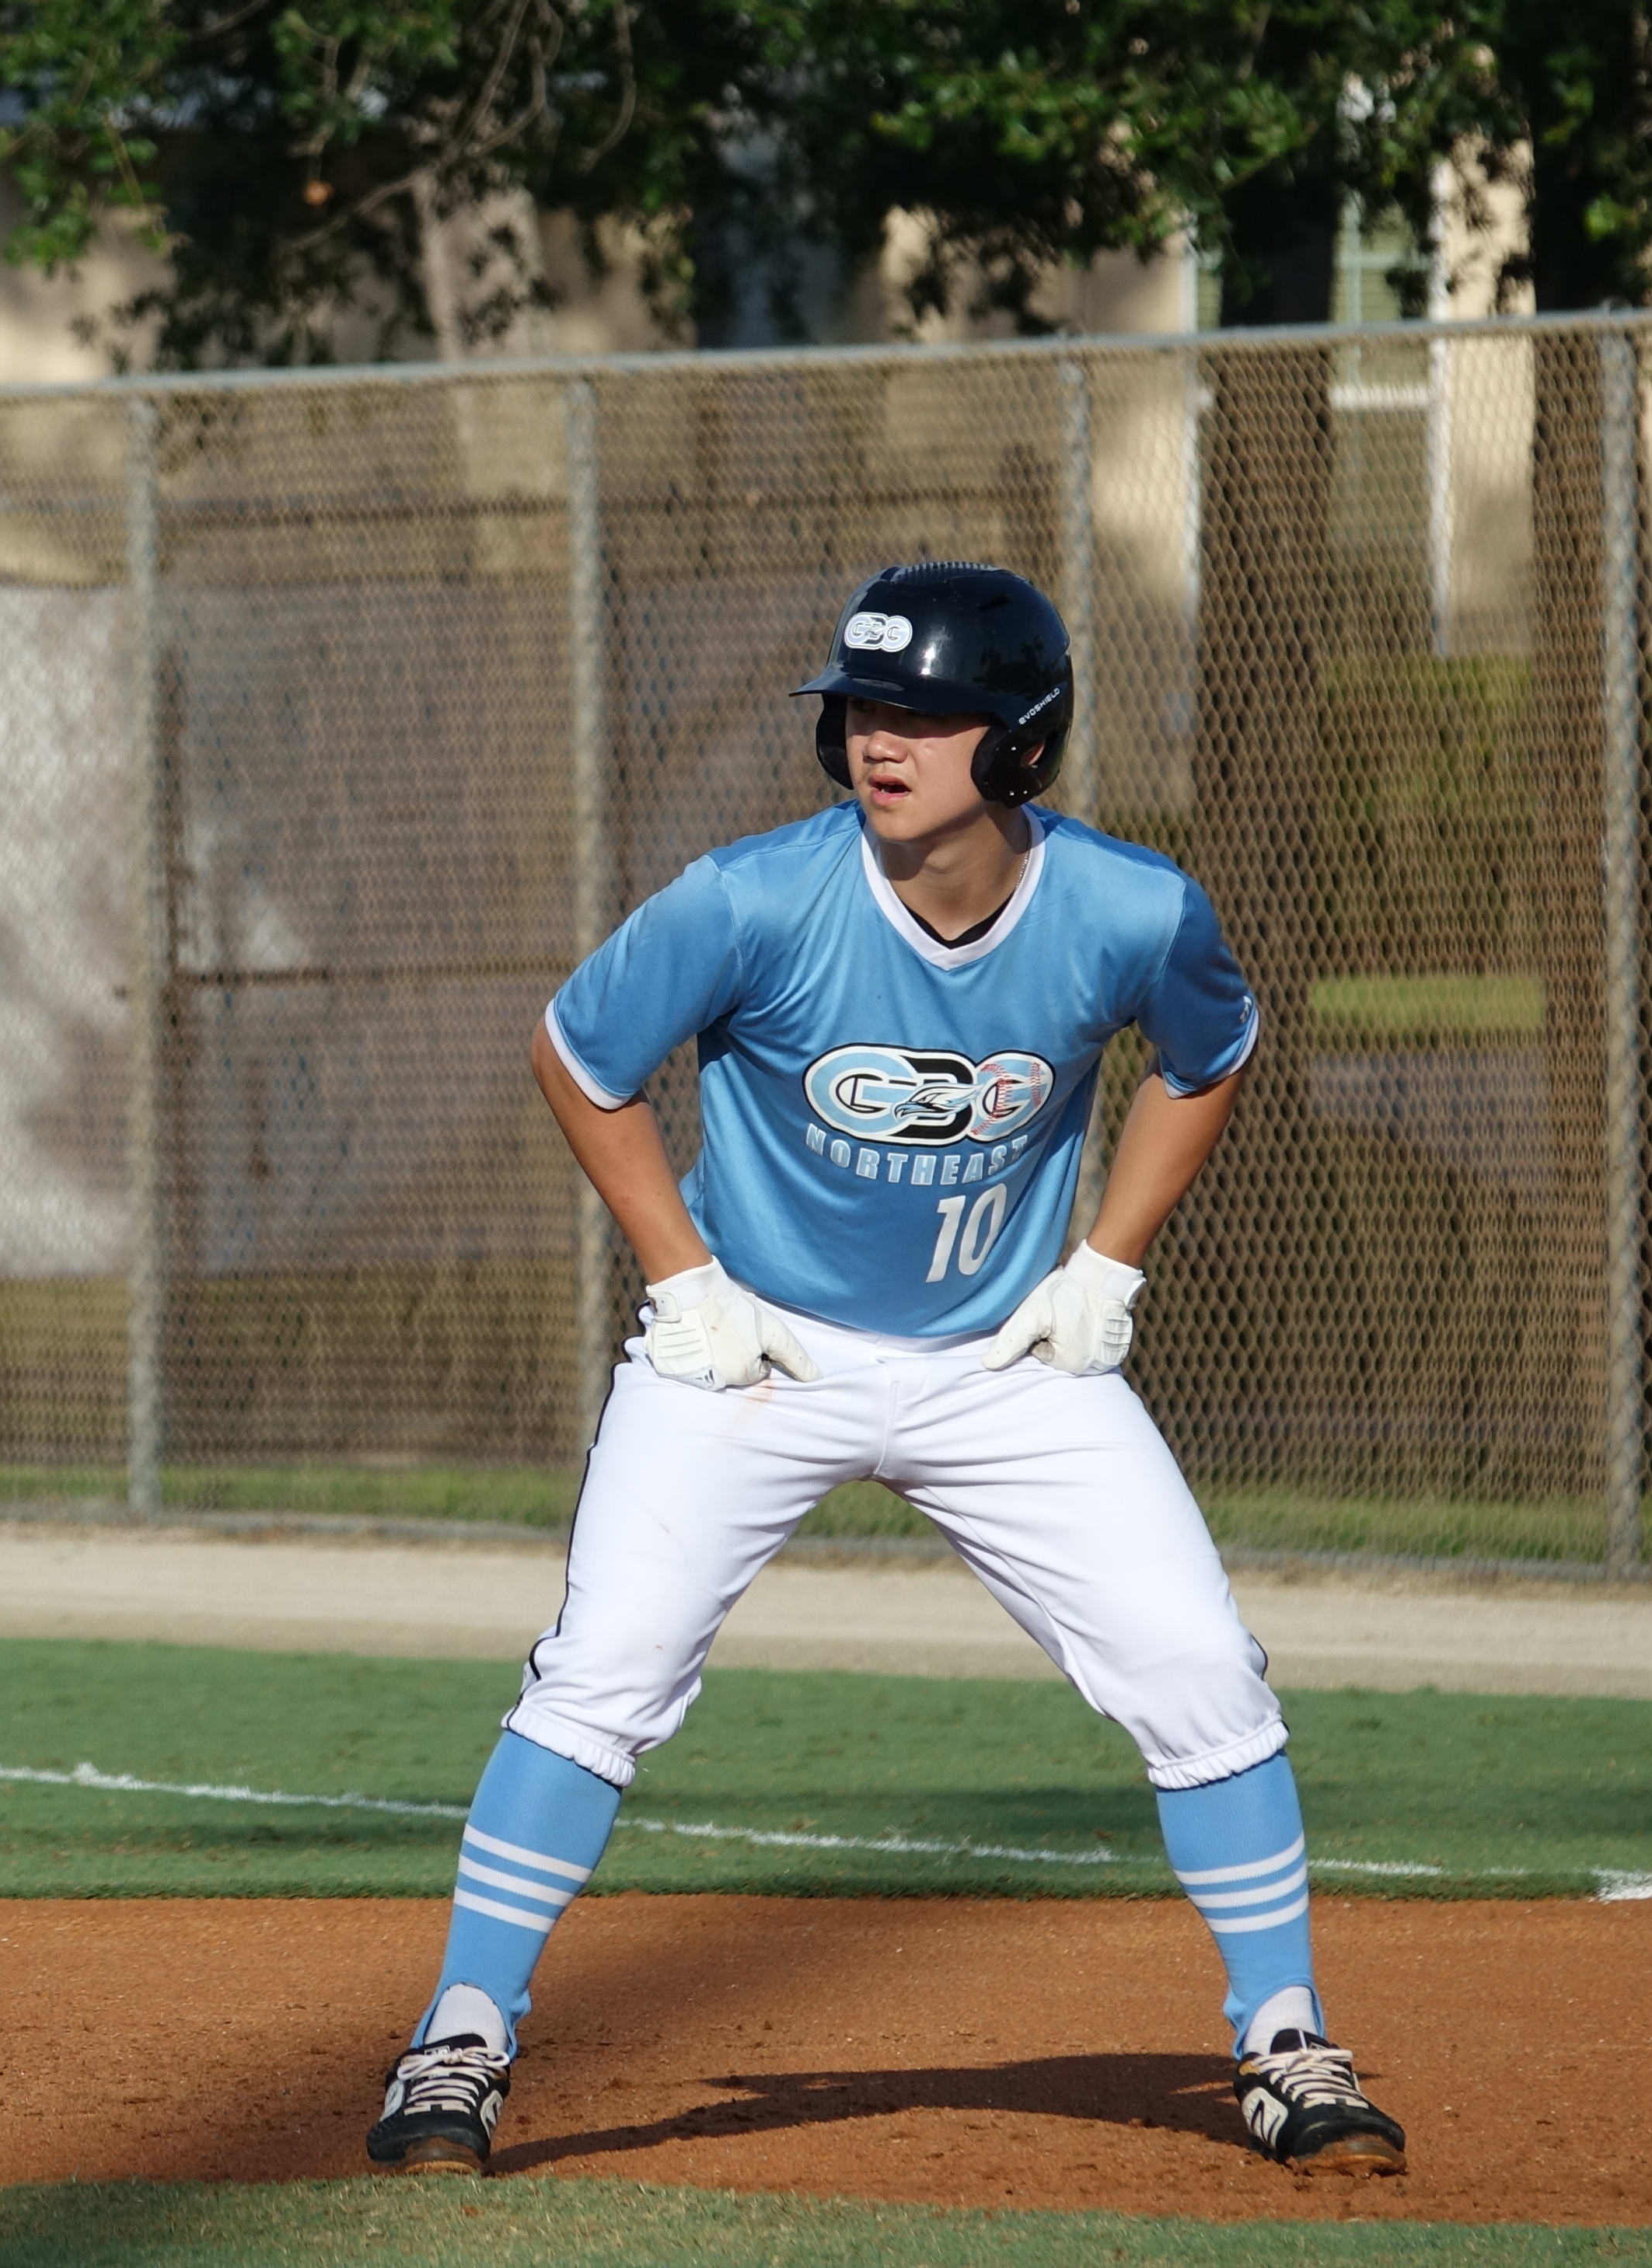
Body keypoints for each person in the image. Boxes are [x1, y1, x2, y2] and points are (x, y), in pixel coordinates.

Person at [362, 564, 1405, 2177]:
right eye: (862, 709)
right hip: (756, 1353)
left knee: (1199, 1668)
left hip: (1006, 1365)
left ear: (1024, 742)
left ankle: (1284, 2037)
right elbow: (579, 1054)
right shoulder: (752, 899)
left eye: (926, 711)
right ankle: (461, 2039)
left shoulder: (1131, 908)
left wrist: (1108, 1265)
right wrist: (683, 1278)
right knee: (605, 1672)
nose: (879, 740)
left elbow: (1211, 1057)